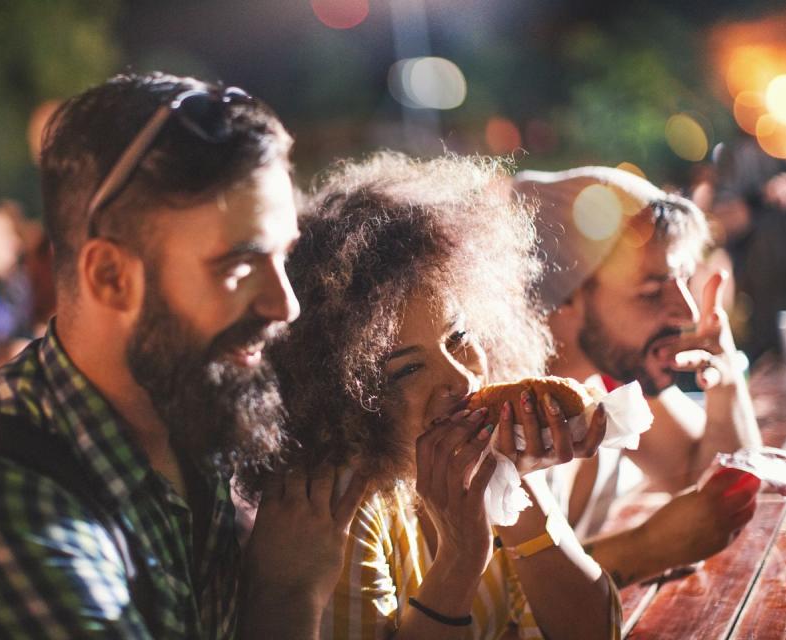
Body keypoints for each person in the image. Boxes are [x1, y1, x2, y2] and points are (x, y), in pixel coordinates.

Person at [0, 72, 364, 639]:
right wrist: (286, 601)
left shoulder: (183, 402)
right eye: (239, 265)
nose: (285, 304)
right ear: (111, 277)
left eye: (284, 256)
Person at [243, 152, 620, 639]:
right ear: (347, 394)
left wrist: (524, 494)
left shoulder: (491, 461)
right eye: (410, 368)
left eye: (459, 338)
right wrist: (460, 560)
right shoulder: (343, 506)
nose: (462, 380)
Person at [512, 166, 762, 588]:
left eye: (683, 281)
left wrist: (725, 366)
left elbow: (705, 477)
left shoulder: (604, 374)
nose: (686, 313)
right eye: (651, 290)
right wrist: (643, 549)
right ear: (565, 292)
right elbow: (469, 609)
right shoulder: (489, 406)